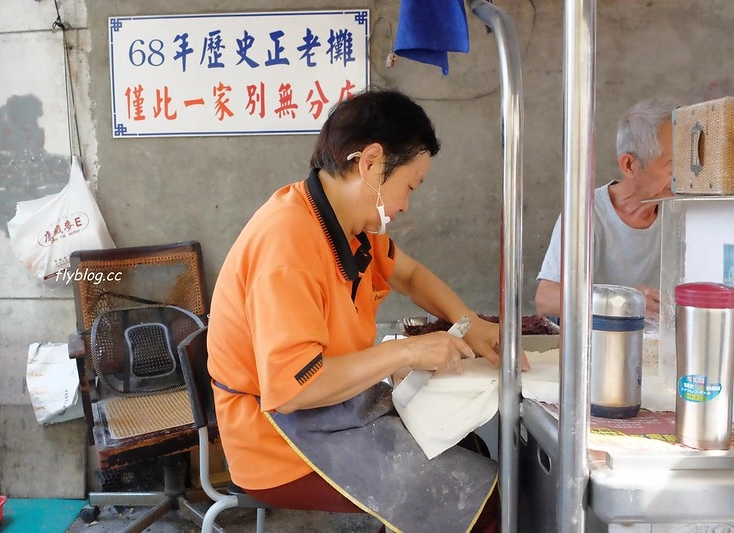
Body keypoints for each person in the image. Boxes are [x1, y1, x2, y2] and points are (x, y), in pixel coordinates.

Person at [207, 89, 515, 532]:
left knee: (468, 452)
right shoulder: (288, 243)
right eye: (409, 186)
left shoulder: (343, 226)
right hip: (278, 440)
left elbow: (410, 274)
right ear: (371, 162)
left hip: (331, 412)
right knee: (478, 503)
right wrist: (407, 352)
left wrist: (472, 324)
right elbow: (294, 390)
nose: (405, 204)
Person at [535, 97, 678, 323]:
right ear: (629, 165)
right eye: (673, 165)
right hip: (597, 340)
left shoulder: (684, 213)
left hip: (656, 340)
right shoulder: (586, 213)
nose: (684, 176)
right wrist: (624, 301)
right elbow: (546, 299)